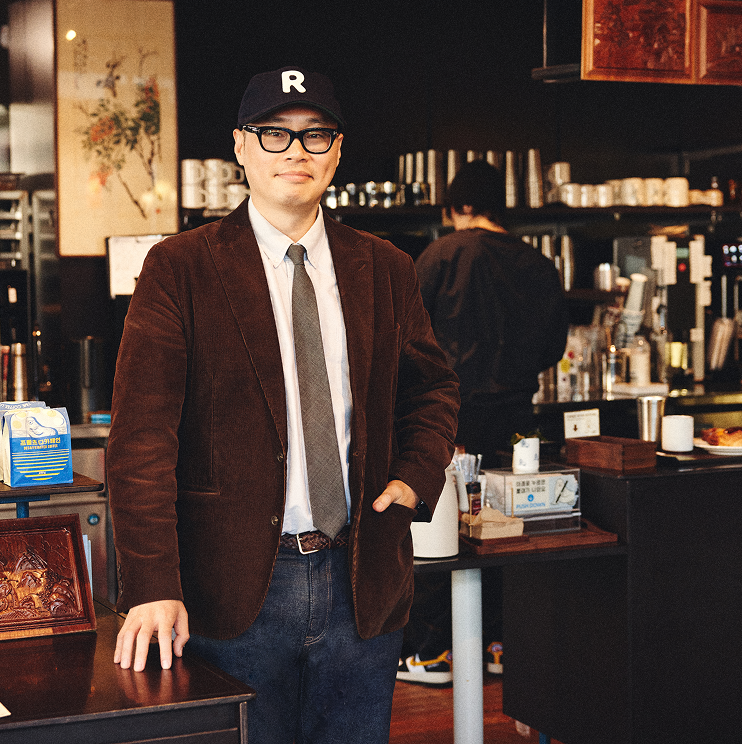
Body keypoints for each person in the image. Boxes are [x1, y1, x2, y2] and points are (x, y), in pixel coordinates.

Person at [105, 67, 460, 744]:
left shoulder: (386, 267)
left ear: (337, 150)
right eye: (274, 133)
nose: (296, 151)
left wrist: (416, 476)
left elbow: (433, 388)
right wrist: (151, 582)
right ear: (241, 146)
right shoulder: (180, 267)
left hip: (362, 579)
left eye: (315, 134)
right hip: (231, 590)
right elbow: (142, 438)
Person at [396, 158, 569, 683]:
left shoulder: (442, 254)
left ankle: (433, 654)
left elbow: (405, 337)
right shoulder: (539, 263)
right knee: (506, 531)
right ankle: (499, 646)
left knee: (438, 530)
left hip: (449, 420)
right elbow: (553, 349)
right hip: (518, 423)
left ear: (461, 206)